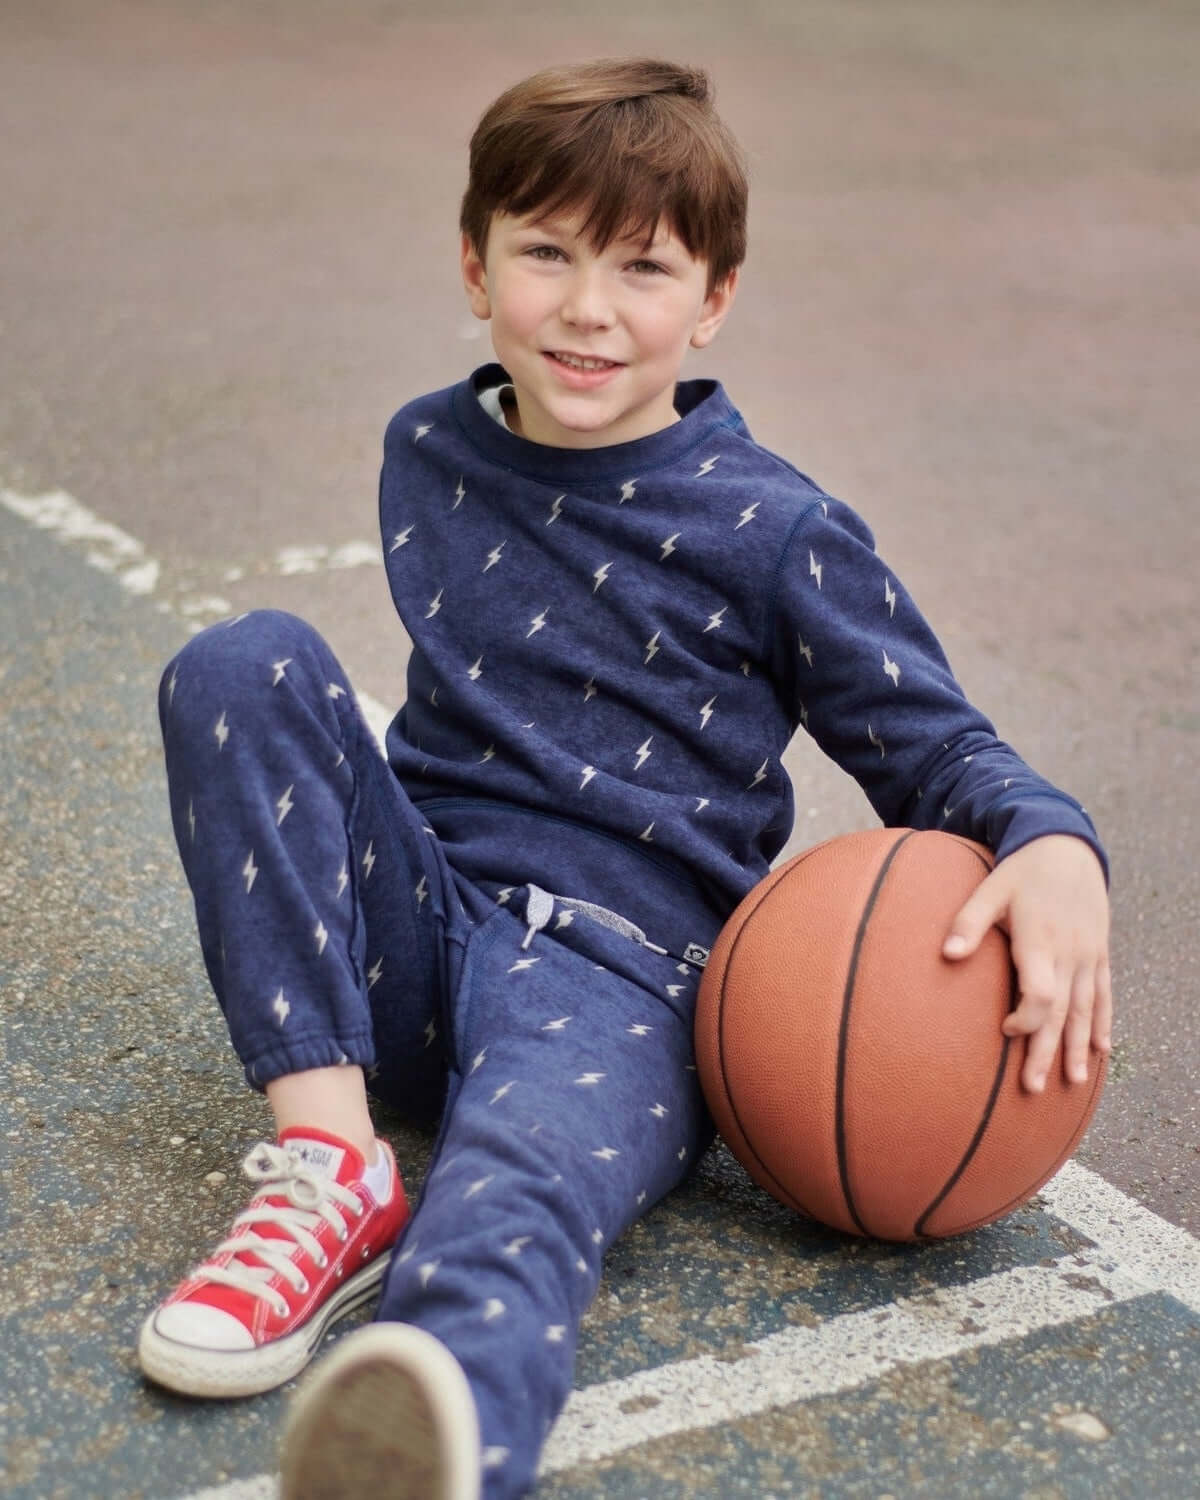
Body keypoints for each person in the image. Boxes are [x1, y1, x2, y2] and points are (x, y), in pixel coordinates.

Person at [137, 57, 1112, 1500]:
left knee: (514, 1190)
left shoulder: (777, 531)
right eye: (546, 252)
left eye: (642, 268)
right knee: (240, 663)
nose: (589, 308)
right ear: (474, 266)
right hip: (421, 926)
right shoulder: (431, 447)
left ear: (713, 297)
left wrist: (1055, 843)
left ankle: (444, 1428)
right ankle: (335, 1167)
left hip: (631, 979)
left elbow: (931, 740)